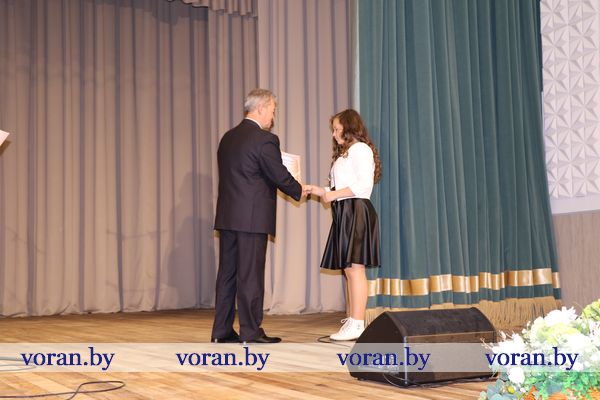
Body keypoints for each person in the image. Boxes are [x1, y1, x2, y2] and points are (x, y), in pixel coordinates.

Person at [212, 88, 307, 344]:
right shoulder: (265, 140)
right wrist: (299, 188)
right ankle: (251, 332)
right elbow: (278, 174)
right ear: (261, 108)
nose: (273, 118)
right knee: (251, 276)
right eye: (273, 111)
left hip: (228, 217)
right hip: (252, 219)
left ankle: (221, 331)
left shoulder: (227, 138)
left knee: (227, 275)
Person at [306, 109, 381, 341]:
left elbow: (363, 185)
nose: (334, 134)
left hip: (356, 211)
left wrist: (332, 194)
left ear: (349, 129)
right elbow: (339, 188)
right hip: (345, 211)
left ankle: (357, 323)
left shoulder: (360, 149)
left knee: (355, 269)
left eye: (337, 129)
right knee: (349, 269)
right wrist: (319, 191)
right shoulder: (345, 154)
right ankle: (353, 320)